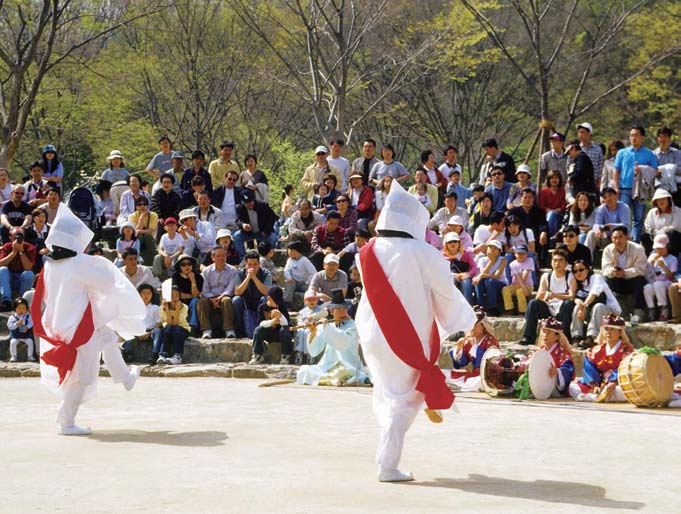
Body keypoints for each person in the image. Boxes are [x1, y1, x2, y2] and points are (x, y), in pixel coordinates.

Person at [355, 180, 477, 482]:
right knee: (405, 397)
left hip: (373, 331)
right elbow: (445, 292)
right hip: (406, 335)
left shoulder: (366, 251)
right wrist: (463, 319)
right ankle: (388, 464)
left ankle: (388, 452)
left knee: (389, 391)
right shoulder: (423, 251)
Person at [35, 204, 145, 435]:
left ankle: (124, 377)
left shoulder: (50, 265)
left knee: (106, 335)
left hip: (62, 324)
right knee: (82, 376)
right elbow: (107, 281)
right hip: (77, 328)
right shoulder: (78, 264)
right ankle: (66, 422)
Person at [297, 288, 368, 385]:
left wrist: (327, 326)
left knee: (343, 372)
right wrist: (313, 333)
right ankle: (330, 380)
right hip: (328, 366)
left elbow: (342, 343)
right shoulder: (328, 326)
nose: (342, 311)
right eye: (338, 309)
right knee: (304, 370)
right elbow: (315, 351)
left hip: (348, 365)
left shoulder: (352, 325)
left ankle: (329, 380)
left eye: (344, 309)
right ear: (332, 311)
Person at [569, 314, 633, 403]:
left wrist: (613, 382)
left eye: (612, 329)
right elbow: (588, 368)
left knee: (623, 391)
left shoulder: (626, 350)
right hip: (599, 385)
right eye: (606, 329)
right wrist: (595, 386)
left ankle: (593, 397)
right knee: (573, 387)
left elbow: (623, 369)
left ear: (620, 332)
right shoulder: (596, 350)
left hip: (616, 384)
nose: (608, 332)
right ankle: (598, 395)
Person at [517, 249, 575, 345]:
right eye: (555, 260)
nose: (557, 263)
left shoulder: (570, 276)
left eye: (560, 260)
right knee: (533, 303)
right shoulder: (546, 276)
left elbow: (572, 295)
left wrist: (554, 295)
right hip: (548, 308)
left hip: (563, 309)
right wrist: (542, 296)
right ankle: (528, 337)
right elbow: (539, 295)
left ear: (566, 263)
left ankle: (565, 336)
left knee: (568, 304)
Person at [613, 126, 659, 242]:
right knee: (623, 216)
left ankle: (635, 243)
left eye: (636, 135)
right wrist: (616, 186)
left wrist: (643, 169)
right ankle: (622, 241)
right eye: (631, 135)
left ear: (642, 137)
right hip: (624, 188)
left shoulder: (649, 154)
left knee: (638, 218)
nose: (633, 138)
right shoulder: (622, 152)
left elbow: (655, 170)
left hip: (641, 189)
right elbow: (616, 170)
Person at [444, 306, 498, 391]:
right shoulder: (469, 340)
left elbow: (485, 364)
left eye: (476, 326)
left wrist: (475, 347)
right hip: (471, 375)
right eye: (471, 326)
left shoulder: (491, 341)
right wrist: (459, 348)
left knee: (479, 382)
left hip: (485, 375)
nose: (473, 329)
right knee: (442, 373)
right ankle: (460, 385)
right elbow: (461, 364)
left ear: (483, 326)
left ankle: (460, 386)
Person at [569, 260, 621, 349]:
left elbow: (593, 294)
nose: (578, 273)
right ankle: (576, 337)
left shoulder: (597, 278)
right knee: (578, 306)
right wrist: (577, 301)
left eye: (581, 270)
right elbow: (573, 296)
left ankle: (592, 338)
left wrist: (583, 307)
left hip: (611, 312)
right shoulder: (577, 283)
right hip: (593, 314)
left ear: (588, 270)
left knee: (598, 306)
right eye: (575, 271)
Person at [601, 225, 647, 316]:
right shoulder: (608, 249)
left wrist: (624, 272)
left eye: (620, 237)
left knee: (639, 280)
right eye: (614, 238)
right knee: (605, 280)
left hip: (632, 280)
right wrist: (612, 272)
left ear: (627, 237)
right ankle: (613, 310)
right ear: (611, 239)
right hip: (617, 280)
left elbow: (640, 269)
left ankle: (638, 311)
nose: (617, 240)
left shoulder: (638, 249)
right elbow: (605, 269)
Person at [197, 246, 238, 339]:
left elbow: (230, 288)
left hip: (225, 296)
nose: (221, 258)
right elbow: (205, 289)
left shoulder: (233, 271)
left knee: (227, 300)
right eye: (218, 256)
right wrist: (212, 299)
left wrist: (221, 297)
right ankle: (206, 330)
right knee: (201, 301)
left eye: (223, 255)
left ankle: (229, 330)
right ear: (212, 258)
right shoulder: (206, 271)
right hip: (210, 297)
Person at [248, 286, 293, 365]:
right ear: (269, 298)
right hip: (268, 333)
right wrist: (271, 322)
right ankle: (257, 355)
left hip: (279, 333)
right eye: (275, 301)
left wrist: (281, 316)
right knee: (258, 330)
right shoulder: (262, 307)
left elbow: (286, 324)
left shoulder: (282, 307)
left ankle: (285, 356)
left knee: (286, 330)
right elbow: (261, 323)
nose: (277, 304)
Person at [233, 251, 273, 338]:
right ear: (245, 264)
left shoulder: (266, 274)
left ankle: (262, 330)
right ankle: (241, 330)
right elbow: (237, 292)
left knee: (265, 299)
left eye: (255, 264)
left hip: (259, 301)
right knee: (236, 300)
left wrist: (254, 278)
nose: (252, 267)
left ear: (259, 264)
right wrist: (248, 278)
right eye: (249, 264)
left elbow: (266, 291)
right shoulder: (240, 274)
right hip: (245, 302)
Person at [584, 187, 630, 258]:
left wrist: (611, 226)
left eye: (610, 195)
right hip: (605, 238)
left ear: (616, 196)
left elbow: (625, 225)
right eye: (605, 197)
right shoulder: (601, 209)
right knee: (591, 233)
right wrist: (597, 230)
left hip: (620, 238)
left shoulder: (624, 207)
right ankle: (586, 261)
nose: (608, 199)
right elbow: (597, 223)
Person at [534, 317, 574, 397]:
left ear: (557, 336)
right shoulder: (538, 352)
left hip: (554, 388)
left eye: (548, 333)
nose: (545, 335)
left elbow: (568, 369)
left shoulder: (562, 353)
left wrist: (558, 372)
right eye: (544, 332)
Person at [122, 284, 162, 364]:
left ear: (152, 295)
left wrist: (149, 333)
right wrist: (139, 333)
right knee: (128, 332)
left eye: (149, 293)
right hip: (138, 332)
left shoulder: (156, 308)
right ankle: (128, 353)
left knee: (158, 331)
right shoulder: (135, 308)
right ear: (139, 295)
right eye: (143, 293)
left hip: (151, 332)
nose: (146, 296)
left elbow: (158, 323)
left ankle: (155, 354)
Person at [233, 189, 277, 259]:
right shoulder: (239, 208)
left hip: (262, 232)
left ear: (254, 199)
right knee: (236, 236)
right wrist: (243, 225)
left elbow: (272, 217)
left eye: (250, 201)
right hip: (248, 233)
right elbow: (238, 220)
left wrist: (266, 230)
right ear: (242, 202)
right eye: (246, 202)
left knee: (273, 237)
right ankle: (243, 258)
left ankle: (267, 258)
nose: (249, 204)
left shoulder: (263, 204)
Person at [643, 234, 677, 322]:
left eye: (662, 248)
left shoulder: (673, 259)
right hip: (654, 280)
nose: (659, 250)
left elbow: (671, 276)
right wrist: (650, 263)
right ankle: (651, 309)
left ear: (667, 247)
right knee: (647, 287)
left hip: (667, 282)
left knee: (658, 285)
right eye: (657, 248)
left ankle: (664, 308)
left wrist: (663, 266)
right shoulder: (652, 257)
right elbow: (646, 272)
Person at [0, 227, 36, 310]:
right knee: (2, 270)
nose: (18, 238)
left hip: (21, 279)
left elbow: (28, 267)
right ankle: (6, 301)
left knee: (29, 274)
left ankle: (21, 301)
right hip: (10, 278)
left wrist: (21, 252)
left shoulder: (30, 248)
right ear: (10, 237)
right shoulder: (7, 247)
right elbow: (1, 264)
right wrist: (13, 252)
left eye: (20, 236)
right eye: (15, 236)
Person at [155, 285, 190, 365]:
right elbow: (170, 324)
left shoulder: (184, 307)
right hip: (169, 330)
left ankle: (178, 356)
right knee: (167, 328)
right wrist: (167, 308)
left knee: (177, 329)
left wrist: (177, 309)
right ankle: (163, 355)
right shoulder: (162, 307)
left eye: (177, 295)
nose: (174, 298)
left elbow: (176, 324)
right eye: (171, 295)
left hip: (182, 330)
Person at [472, 239, 507, 315]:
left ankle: (492, 308)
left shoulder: (503, 260)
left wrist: (481, 275)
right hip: (486, 283)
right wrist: (491, 261)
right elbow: (483, 273)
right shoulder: (482, 260)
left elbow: (496, 276)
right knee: (479, 282)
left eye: (495, 248)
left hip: (500, 284)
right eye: (490, 247)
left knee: (490, 281)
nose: (492, 250)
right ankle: (480, 306)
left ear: (499, 251)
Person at [442, 232, 477, 305]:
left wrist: (468, 275)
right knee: (452, 281)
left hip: (465, 276)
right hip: (451, 277)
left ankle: (467, 306)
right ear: (446, 244)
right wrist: (454, 275)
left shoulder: (466, 253)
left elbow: (474, 267)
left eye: (455, 241)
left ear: (459, 243)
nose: (452, 243)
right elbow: (441, 270)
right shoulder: (442, 256)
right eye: (450, 242)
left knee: (466, 282)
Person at [643, 188, 681, 255]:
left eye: (663, 199)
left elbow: (677, 227)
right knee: (645, 237)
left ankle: (673, 257)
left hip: (671, 239)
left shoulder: (677, 211)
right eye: (658, 200)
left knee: (673, 234)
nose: (661, 202)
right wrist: (656, 233)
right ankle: (651, 258)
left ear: (669, 200)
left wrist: (663, 231)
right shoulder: (652, 212)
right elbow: (648, 226)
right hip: (655, 237)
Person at [293, 290, 327, 364]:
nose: (312, 301)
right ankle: (299, 353)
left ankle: (310, 354)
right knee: (300, 333)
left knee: (309, 333)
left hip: (315, 329)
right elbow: (299, 321)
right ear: (305, 301)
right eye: (309, 300)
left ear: (317, 300)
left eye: (314, 299)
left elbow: (325, 313)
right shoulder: (302, 312)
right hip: (304, 328)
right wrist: (304, 324)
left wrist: (313, 316)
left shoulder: (320, 309)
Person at [171, 254, 203, 333]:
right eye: (183, 264)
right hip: (179, 302)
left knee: (195, 300)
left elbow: (195, 295)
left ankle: (193, 325)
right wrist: (190, 295)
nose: (186, 266)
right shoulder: (175, 276)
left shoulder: (198, 277)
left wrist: (193, 281)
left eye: (189, 264)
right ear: (179, 266)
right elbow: (176, 295)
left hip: (193, 303)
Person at [501, 244, 534, 315]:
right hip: (516, 284)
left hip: (527, 285)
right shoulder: (512, 264)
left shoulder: (530, 260)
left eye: (523, 253)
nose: (520, 255)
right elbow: (516, 276)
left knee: (519, 291)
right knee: (505, 289)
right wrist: (520, 286)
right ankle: (510, 309)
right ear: (515, 254)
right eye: (518, 253)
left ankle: (523, 311)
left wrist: (524, 288)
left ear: (527, 254)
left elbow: (525, 273)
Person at [283, 240, 316, 306]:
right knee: (288, 284)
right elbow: (286, 270)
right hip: (294, 282)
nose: (288, 253)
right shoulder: (290, 260)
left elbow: (313, 272)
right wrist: (289, 278)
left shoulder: (304, 260)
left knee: (313, 289)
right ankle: (287, 303)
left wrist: (307, 282)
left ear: (294, 251)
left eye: (289, 251)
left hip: (304, 283)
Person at [128, 196, 157, 266]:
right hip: (136, 238)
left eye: (144, 204)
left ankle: (152, 260)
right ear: (136, 206)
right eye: (139, 204)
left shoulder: (153, 215)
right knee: (140, 236)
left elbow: (150, 231)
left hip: (149, 239)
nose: (142, 206)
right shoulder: (132, 216)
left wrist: (139, 231)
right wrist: (140, 218)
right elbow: (134, 232)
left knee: (146, 236)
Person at [538, 169, 567, 239]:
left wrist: (556, 210)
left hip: (559, 216)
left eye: (556, 178)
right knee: (551, 214)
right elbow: (541, 205)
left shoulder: (562, 191)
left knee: (553, 214)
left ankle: (550, 237)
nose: (554, 180)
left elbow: (564, 205)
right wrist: (549, 210)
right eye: (552, 178)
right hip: (546, 215)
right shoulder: (543, 191)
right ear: (548, 180)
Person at [575, 122, 604, 187]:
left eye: (582, 132)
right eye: (579, 132)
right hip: (578, 183)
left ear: (589, 133)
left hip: (592, 183)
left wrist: (599, 182)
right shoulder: (576, 148)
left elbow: (600, 167)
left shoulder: (597, 149)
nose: (580, 134)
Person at [8, 297, 34, 362]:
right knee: (13, 342)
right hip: (16, 336)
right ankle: (13, 356)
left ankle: (30, 356)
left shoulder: (28, 316)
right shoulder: (12, 317)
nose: (21, 310)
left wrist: (27, 327)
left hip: (25, 335)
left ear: (26, 309)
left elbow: (31, 323)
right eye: (19, 308)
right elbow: (9, 326)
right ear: (15, 308)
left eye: (23, 308)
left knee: (30, 342)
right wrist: (16, 324)